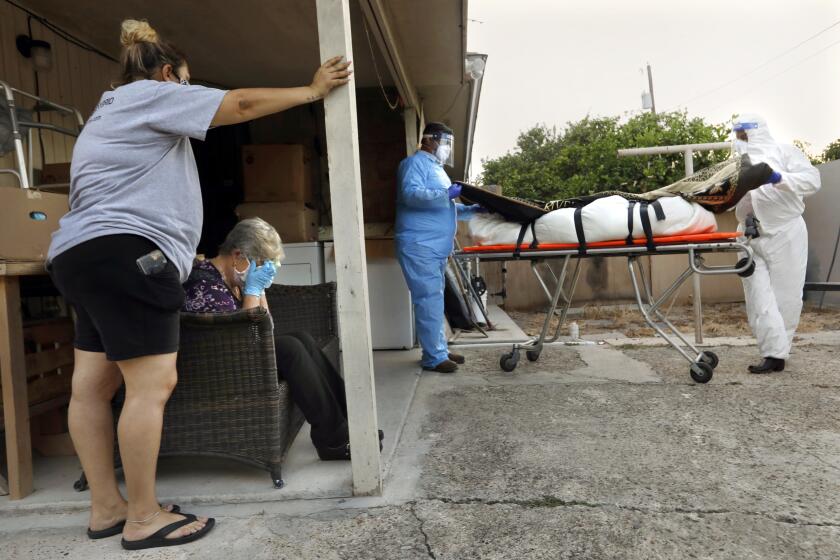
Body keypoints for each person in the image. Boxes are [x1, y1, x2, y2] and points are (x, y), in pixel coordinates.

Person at [46, 19, 351, 550]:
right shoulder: (155, 95)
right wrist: (312, 90)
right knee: (151, 385)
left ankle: (107, 509)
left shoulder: (107, 113)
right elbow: (240, 106)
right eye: (188, 83)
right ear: (169, 75)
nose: (191, 95)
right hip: (132, 252)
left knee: (91, 388)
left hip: (79, 253)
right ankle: (143, 516)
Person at [182, 218, 362, 461]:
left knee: (302, 339)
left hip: (241, 353)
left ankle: (349, 422)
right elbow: (249, 337)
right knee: (290, 348)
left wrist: (259, 291)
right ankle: (332, 441)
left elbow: (266, 328)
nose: (264, 269)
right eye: (261, 263)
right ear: (237, 255)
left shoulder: (233, 280)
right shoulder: (205, 285)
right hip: (218, 368)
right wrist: (253, 292)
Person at [732, 113, 821, 373]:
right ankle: (772, 350)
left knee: (786, 295)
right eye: (738, 134)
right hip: (748, 234)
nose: (741, 139)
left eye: (744, 134)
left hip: (786, 232)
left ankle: (777, 355)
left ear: (757, 131)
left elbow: (813, 180)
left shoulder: (786, 153)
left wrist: (778, 178)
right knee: (757, 295)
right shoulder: (737, 163)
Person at [395, 122, 484, 373]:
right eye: (445, 143)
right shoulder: (414, 164)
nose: (446, 149)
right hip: (419, 244)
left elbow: (443, 206)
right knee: (428, 300)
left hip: (433, 248)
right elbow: (411, 194)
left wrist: (470, 210)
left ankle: (438, 350)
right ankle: (433, 357)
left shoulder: (437, 169)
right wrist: (446, 195)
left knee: (433, 300)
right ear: (430, 140)